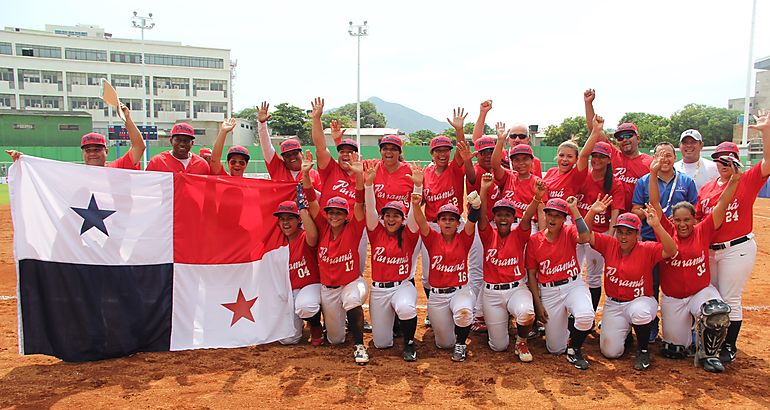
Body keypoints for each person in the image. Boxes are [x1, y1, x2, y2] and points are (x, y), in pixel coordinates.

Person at [649, 156, 740, 373]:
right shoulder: (667, 230)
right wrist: (653, 175)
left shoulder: (703, 230)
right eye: (678, 220)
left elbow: (722, 204)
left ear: (694, 220)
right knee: (675, 350)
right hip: (674, 299)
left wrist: (734, 181)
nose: (682, 224)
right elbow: (654, 204)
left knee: (716, 310)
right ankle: (689, 335)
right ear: (672, 220)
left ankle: (709, 354)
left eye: (687, 220)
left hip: (700, 292)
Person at [695, 111, 770, 364]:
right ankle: (713, 339)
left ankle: (729, 346)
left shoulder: (746, 180)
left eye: (728, 160)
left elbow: (768, 163)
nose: (722, 164)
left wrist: (766, 132)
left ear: (737, 161)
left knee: (730, 297)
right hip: (711, 250)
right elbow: (697, 219)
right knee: (713, 296)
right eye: (718, 159)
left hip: (737, 248)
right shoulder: (706, 188)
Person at [586, 205, 678, 371]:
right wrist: (591, 212)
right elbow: (585, 235)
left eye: (629, 232)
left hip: (641, 300)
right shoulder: (609, 244)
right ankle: (625, 333)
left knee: (640, 313)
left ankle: (643, 350)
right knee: (610, 352)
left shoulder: (647, 248)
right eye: (620, 232)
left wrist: (657, 225)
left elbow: (671, 250)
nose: (623, 236)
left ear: (637, 234)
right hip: (614, 304)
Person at [303, 149, 370, 365]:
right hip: (328, 289)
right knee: (335, 339)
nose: (334, 216)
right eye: (331, 212)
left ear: (345, 215)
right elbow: (312, 200)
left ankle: (359, 345)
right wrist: (305, 175)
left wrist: (359, 177)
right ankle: (341, 327)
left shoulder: (354, 228)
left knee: (351, 300)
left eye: (339, 213)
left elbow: (359, 204)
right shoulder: (323, 226)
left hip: (350, 283)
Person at [632, 141, 698, 342]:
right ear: (654, 159)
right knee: (651, 284)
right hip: (652, 240)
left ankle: (691, 326)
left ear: (675, 158)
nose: (665, 159)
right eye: (660, 155)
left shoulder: (686, 182)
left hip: (678, 243)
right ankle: (651, 325)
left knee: (680, 283)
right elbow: (634, 209)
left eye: (669, 155)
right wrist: (651, 214)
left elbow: (695, 212)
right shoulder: (644, 181)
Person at [478, 172, 544, 361]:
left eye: (507, 215)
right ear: (495, 218)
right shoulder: (487, 235)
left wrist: (537, 197)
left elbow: (528, 217)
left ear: (513, 217)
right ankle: (501, 322)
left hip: (516, 288)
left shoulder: (519, 234)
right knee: (498, 346)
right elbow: (482, 213)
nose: (503, 218)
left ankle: (521, 340)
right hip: (491, 293)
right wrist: (484, 188)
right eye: (499, 215)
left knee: (526, 313)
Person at [525, 197, 597, 370]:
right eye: (549, 215)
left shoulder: (569, 231)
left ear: (564, 219)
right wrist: (538, 303)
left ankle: (575, 349)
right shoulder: (535, 241)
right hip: (549, 292)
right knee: (555, 348)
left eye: (557, 216)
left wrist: (575, 209)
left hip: (573, 285)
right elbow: (532, 274)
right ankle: (566, 330)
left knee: (586, 316)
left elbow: (585, 236)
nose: (552, 219)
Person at [412, 189, 478, 362]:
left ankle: (461, 343)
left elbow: (472, 220)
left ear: (458, 223)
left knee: (463, 312)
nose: (447, 222)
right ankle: (453, 334)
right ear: (438, 222)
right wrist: (415, 205)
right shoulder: (432, 238)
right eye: (444, 219)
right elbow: (420, 221)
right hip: (437, 295)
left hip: (460, 291)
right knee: (444, 344)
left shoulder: (464, 238)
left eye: (452, 219)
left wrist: (476, 206)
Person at [364, 163, 422, 361]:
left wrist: (418, 187)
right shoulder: (375, 231)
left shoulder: (409, 233)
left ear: (402, 218)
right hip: (379, 290)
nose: (391, 219)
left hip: (402, 286)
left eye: (396, 215)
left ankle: (409, 343)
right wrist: (369, 184)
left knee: (406, 307)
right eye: (387, 215)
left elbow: (415, 213)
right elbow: (370, 208)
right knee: (381, 343)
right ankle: (393, 327)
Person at [418, 127, 475, 325]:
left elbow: (462, 150)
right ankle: (433, 304)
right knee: (427, 276)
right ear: (431, 154)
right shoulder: (426, 173)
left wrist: (459, 129)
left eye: (445, 150)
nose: (442, 154)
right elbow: (423, 200)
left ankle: (458, 304)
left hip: (454, 225)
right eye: (438, 151)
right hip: (433, 227)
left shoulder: (455, 168)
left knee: (455, 266)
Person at [578, 116, 625, 312]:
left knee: (594, 276)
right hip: (579, 230)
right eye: (594, 156)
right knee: (573, 270)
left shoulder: (614, 183)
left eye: (602, 157)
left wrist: (611, 239)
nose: (596, 160)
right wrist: (595, 131)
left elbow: (615, 213)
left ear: (608, 160)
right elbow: (581, 156)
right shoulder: (583, 175)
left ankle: (590, 312)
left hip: (600, 233)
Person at [7, 102, 145, 169]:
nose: (92, 153)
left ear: (106, 151)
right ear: (82, 152)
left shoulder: (118, 167)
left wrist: (127, 118)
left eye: (97, 149)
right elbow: (43, 176)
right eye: (88, 150)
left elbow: (139, 146)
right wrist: (23, 161)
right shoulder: (73, 174)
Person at [584, 89, 653, 211]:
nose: (624, 139)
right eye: (620, 137)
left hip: (636, 220)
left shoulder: (650, 163)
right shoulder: (613, 155)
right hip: (610, 217)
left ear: (638, 138)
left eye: (628, 136)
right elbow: (594, 129)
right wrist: (588, 103)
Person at [274, 188, 324, 346]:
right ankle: (301, 324)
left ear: (299, 220)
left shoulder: (304, 236)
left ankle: (316, 326)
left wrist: (302, 208)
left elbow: (314, 236)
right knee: (288, 339)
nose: (286, 223)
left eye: (290, 218)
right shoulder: (277, 242)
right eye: (282, 219)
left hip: (310, 285)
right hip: (290, 291)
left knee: (306, 306)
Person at [490, 122, 548, 233]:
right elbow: (495, 165)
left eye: (525, 159)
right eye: (517, 160)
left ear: (532, 161)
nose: (521, 163)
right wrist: (500, 140)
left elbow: (541, 211)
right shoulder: (508, 176)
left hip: (528, 225)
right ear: (512, 161)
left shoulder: (537, 182)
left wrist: (542, 236)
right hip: (506, 224)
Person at [257, 101, 322, 190]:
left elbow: (321, 199)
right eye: (287, 155)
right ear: (283, 158)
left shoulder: (314, 174)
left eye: (295, 153)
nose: (292, 157)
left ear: (301, 154)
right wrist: (262, 124)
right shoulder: (277, 168)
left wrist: (308, 186)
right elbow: (266, 146)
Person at [472, 100, 542, 176]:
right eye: (513, 136)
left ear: (528, 139)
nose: (517, 140)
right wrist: (483, 113)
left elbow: (537, 184)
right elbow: (477, 140)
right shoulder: (500, 154)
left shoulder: (535, 161)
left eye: (522, 136)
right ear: (508, 139)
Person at [146, 122, 210, 174]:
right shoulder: (157, 162)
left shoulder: (202, 164)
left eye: (186, 140)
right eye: (178, 140)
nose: (182, 144)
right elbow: (147, 184)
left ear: (192, 143)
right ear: (171, 141)